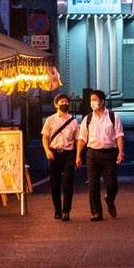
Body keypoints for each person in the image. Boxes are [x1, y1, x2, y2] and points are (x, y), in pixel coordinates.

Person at [75, 89, 124, 221]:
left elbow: (119, 135)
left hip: (109, 154)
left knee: (112, 183)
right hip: (92, 154)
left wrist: (121, 152)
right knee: (93, 185)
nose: (92, 103)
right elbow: (82, 138)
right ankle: (96, 212)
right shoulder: (88, 119)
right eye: (91, 100)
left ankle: (110, 198)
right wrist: (78, 155)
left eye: (95, 100)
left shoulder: (113, 117)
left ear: (102, 101)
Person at [41, 93, 80, 221]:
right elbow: (45, 137)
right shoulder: (50, 120)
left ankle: (66, 210)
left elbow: (77, 140)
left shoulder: (74, 122)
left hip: (68, 154)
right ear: (56, 104)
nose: (64, 104)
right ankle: (57, 209)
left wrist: (77, 155)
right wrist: (47, 151)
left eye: (66, 102)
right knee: (54, 184)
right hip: (54, 154)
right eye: (61, 102)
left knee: (68, 183)